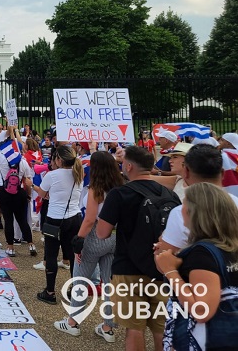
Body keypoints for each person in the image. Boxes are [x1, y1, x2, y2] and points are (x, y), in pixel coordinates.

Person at [96, 145, 180, 351]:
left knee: (134, 327)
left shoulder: (119, 194)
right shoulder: (169, 195)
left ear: (130, 166)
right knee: (161, 328)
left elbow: (102, 233)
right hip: (161, 267)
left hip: (128, 268)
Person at [155, 183, 238, 351]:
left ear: (195, 211)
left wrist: (170, 271)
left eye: (185, 202)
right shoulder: (230, 247)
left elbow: (202, 310)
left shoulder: (202, 254)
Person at [54, 150, 125, 343]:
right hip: (114, 236)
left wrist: (78, 240)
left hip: (95, 235)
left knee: (80, 281)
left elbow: (89, 219)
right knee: (109, 284)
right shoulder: (121, 186)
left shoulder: (96, 188)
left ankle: (73, 322)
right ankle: (108, 326)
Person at [156, 144, 238, 254]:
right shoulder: (236, 203)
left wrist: (159, 245)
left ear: (186, 172)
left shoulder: (181, 212)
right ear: (223, 173)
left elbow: (165, 256)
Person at [33, 144, 83, 304]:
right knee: (72, 255)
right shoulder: (79, 173)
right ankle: (74, 290)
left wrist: (30, 185)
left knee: (51, 254)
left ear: (59, 160)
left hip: (55, 218)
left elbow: (42, 193)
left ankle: (50, 291)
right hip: (74, 217)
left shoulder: (53, 175)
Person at [0, 129, 36, 257]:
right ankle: (31, 245)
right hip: (19, 193)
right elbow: (27, 181)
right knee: (22, 220)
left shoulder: (3, 159)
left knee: (8, 220)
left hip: (4, 192)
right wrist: (28, 195)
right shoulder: (23, 162)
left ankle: (11, 247)